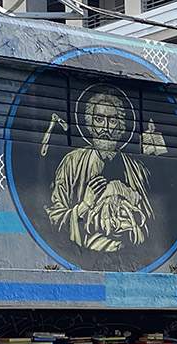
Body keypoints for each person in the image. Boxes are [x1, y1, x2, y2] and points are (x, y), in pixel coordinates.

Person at [45, 89, 154, 252]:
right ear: (90, 124)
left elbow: (150, 221)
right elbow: (53, 216)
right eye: (99, 119)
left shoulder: (137, 170)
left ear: (120, 127)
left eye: (112, 121)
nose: (105, 128)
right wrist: (84, 205)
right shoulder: (72, 162)